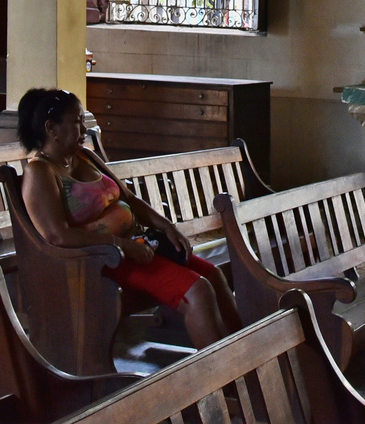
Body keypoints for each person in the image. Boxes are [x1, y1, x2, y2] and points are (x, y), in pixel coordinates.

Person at [18, 88, 239, 349]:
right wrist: (123, 246)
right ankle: (226, 376)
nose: (84, 129)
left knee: (213, 275)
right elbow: (57, 235)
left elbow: (130, 198)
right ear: (51, 128)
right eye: (77, 122)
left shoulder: (85, 156)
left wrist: (166, 227)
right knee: (197, 293)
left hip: (136, 247)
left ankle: (248, 360)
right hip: (101, 262)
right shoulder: (40, 172)